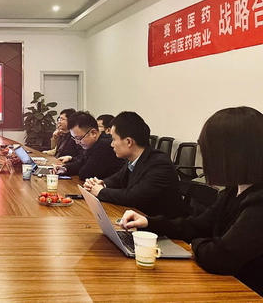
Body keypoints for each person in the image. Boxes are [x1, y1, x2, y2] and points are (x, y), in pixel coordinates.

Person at [120, 106, 263, 296]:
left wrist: (194, 244)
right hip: (225, 285)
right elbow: (197, 225)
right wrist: (148, 222)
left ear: (231, 154)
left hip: (245, 293)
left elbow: (219, 257)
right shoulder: (233, 190)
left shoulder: (258, 202)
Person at [83, 111, 188, 218]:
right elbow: (117, 179)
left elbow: (133, 197)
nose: (111, 144)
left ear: (129, 142)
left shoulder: (159, 164)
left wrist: (100, 191)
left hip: (160, 225)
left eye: (114, 139)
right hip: (138, 218)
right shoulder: (134, 159)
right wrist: (100, 183)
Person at [53, 111, 124, 181]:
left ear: (93, 133)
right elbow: (81, 163)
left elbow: (85, 174)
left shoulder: (104, 145)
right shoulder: (92, 143)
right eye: (74, 138)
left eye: (78, 138)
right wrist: (64, 169)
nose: (77, 142)